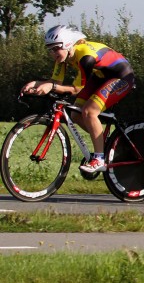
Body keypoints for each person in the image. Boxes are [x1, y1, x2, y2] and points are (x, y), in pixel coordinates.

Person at [21, 25, 136, 173]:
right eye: (50, 49)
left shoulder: (85, 57)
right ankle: (105, 144)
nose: (53, 53)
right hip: (101, 76)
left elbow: (76, 89)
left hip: (121, 77)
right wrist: (36, 84)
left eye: (56, 48)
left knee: (89, 111)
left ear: (68, 44)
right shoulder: (62, 57)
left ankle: (99, 158)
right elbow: (56, 82)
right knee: (76, 114)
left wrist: (51, 87)